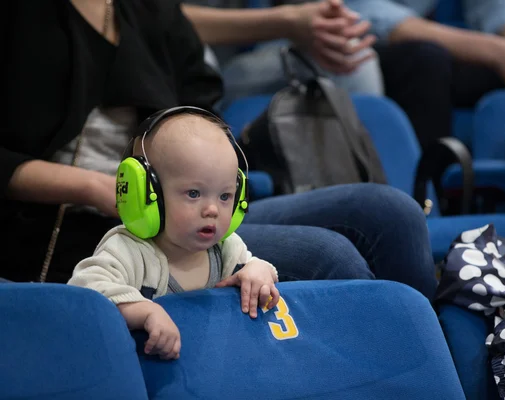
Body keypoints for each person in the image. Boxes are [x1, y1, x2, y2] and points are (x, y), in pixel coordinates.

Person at [2, 1, 437, 300]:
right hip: (87, 226)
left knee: (391, 212)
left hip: (187, 202)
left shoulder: (145, 9)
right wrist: (101, 188)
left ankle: (433, 372)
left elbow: (200, 98)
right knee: (329, 255)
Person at [69, 109, 280, 360]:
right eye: (193, 193)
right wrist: (142, 311)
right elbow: (85, 289)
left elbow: (251, 266)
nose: (212, 209)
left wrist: (259, 271)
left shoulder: (226, 248)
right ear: (145, 193)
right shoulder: (128, 250)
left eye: (225, 196)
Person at [340, 0, 505, 148]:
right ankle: (429, 206)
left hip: (447, 50)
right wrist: (498, 52)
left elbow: (500, 9)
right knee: (424, 62)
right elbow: (372, 17)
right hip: (361, 53)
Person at [181, 0, 384, 108]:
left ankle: (365, 174)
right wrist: (287, 21)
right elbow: (159, 20)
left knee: (353, 56)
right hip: (187, 72)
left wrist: (325, 23)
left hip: (243, 64)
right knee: (197, 54)